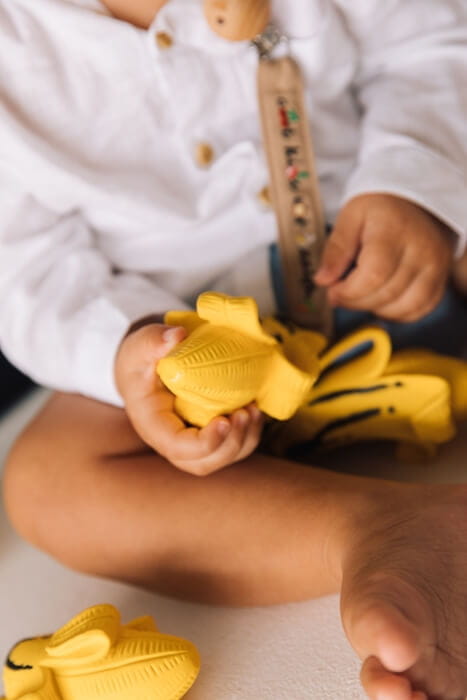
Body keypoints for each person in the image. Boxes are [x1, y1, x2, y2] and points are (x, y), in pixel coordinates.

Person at [1, 0, 467, 698]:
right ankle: (382, 528)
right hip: (194, 352)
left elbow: (432, 45)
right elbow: (26, 269)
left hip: (396, 263)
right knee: (46, 483)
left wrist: (414, 187)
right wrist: (130, 349)